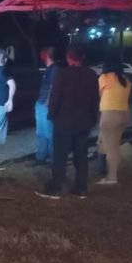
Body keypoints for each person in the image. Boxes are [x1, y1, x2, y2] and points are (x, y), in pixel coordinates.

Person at [37, 44, 100, 200]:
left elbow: (55, 98)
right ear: (83, 57)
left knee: (60, 156)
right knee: (81, 156)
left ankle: (56, 188)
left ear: (68, 57)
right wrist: (93, 118)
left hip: (64, 121)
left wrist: (52, 115)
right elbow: (95, 99)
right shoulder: (92, 75)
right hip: (84, 122)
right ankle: (81, 188)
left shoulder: (63, 75)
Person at [96, 60, 132, 185]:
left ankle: (111, 177)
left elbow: (99, 94)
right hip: (124, 115)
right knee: (114, 147)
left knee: (110, 149)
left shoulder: (105, 77)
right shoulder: (126, 79)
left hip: (110, 116)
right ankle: (109, 172)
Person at [33, 46, 61, 166]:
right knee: (41, 132)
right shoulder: (50, 69)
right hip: (41, 103)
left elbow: (53, 87)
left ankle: (53, 159)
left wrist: (48, 102)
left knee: (49, 133)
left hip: (45, 105)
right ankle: (41, 156)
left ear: (46, 55)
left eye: (42, 54)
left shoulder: (54, 69)